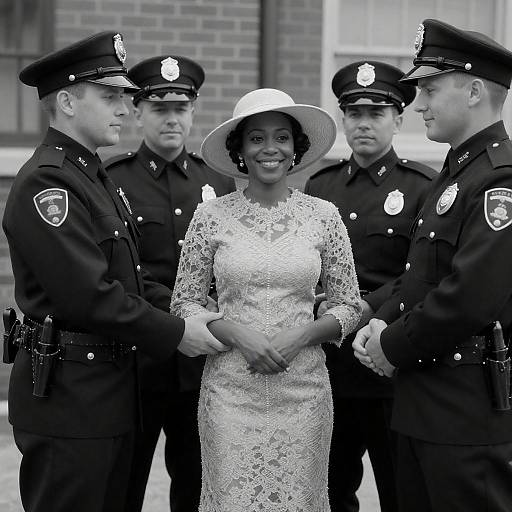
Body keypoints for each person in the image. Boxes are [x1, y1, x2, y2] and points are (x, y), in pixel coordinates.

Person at [2, 32, 227, 512]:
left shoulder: (91, 175)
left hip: (107, 391)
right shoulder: (50, 182)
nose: (125, 109)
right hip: (72, 398)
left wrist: (192, 313)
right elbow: (89, 295)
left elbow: (131, 277)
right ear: (65, 101)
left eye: (125, 97)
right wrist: (176, 332)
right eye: (110, 97)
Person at [170, 88, 362, 511]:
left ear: (297, 147)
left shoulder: (324, 216)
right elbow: (184, 302)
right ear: (239, 149)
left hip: (304, 390)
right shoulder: (210, 216)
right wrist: (236, 333)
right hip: (231, 391)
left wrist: (304, 335)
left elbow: (349, 305)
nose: (269, 149)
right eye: (256, 138)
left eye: (281, 137)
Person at [353, 19, 512, 512]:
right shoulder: (455, 175)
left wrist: (391, 345)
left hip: (465, 414)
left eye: (428, 88)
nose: (418, 103)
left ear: (473, 91)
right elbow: (422, 277)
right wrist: (377, 316)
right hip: (425, 404)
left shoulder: (497, 180)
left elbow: (471, 295)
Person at [105, 55, 236, 512]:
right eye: (159, 107)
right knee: (125, 482)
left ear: (194, 111)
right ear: (138, 112)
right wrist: (183, 308)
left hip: (202, 365)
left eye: (181, 107)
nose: (172, 118)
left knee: (198, 486)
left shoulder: (217, 181)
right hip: (139, 362)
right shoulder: (111, 181)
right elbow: (123, 272)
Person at [304, 61, 436, 512]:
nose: (363, 123)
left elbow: (419, 273)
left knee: (399, 489)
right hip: (330, 366)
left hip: (386, 363)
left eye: (376, 112)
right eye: (353, 112)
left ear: (398, 119)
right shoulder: (321, 186)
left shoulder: (422, 187)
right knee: (330, 490)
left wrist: (362, 308)